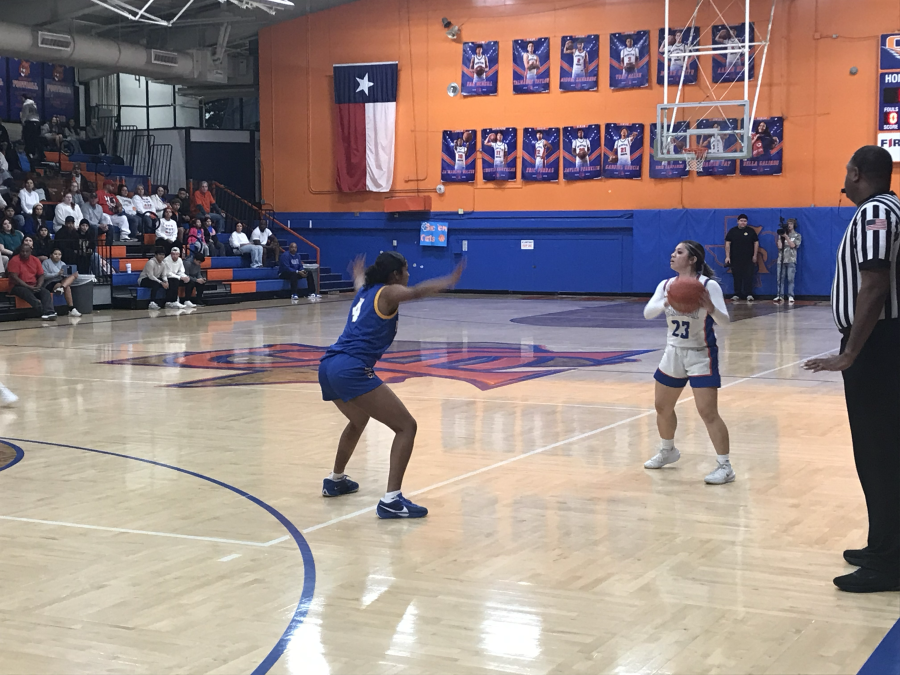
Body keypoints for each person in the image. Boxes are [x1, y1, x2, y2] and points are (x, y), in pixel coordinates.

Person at [804, 145, 900, 593]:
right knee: (880, 451)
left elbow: (875, 284)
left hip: (879, 346)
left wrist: (851, 352)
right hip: (881, 344)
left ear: (856, 172)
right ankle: (881, 544)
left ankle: (888, 563)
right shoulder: (890, 207)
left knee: (879, 453)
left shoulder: (874, 214)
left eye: (846, 171)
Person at [318, 252, 465, 517]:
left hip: (329, 365)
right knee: (406, 426)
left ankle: (335, 480)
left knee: (358, 420)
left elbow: (360, 281)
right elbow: (417, 292)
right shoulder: (387, 293)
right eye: (405, 270)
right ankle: (391, 501)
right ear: (395, 275)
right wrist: (449, 279)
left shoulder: (366, 290)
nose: (408, 275)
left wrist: (358, 272)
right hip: (350, 368)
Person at [642, 241, 733, 483]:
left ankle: (725, 466)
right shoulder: (666, 285)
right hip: (673, 352)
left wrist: (712, 308)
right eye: (673, 251)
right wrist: (666, 302)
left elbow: (725, 322)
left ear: (692, 259)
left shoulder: (707, 286)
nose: (673, 255)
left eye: (679, 252)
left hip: (700, 353)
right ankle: (668, 450)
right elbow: (647, 313)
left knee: (707, 412)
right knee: (662, 406)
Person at [7, 240, 55, 320]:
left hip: (33, 285)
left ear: (30, 252)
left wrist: (39, 285)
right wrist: (28, 287)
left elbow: (41, 275)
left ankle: (50, 312)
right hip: (17, 286)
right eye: (22, 251)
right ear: (20, 251)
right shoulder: (14, 260)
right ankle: (42, 311)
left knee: (45, 292)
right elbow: (14, 277)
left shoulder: (35, 260)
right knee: (25, 292)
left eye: (27, 251)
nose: (24, 253)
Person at [724, 213, 759, 301]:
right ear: (738, 221)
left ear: (747, 222)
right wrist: (727, 256)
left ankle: (749, 294)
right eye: (741, 221)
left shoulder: (751, 231)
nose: (743, 222)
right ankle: (737, 294)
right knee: (737, 276)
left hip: (748, 258)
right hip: (735, 258)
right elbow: (727, 244)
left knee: (748, 276)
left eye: (745, 221)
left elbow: (756, 243)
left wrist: (755, 255)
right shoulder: (732, 231)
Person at [42, 247, 80, 317]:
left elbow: (65, 276)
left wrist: (68, 274)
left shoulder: (63, 263)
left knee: (73, 276)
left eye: (59, 254)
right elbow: (44, 275)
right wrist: (57, 274)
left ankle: (62, 287)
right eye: (55, 254)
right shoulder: (46, 262)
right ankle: (71, 309)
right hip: (50, 282)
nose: (57, 256)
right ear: (51, 255)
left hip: (61, 281)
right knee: (66, 287)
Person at [774, 218, 802, 304]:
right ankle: (780, 295)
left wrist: (786, 237)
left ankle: (790, 295)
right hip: (781, 260)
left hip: (791, 259)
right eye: (788, 224)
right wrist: (781, 237)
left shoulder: (797, 235)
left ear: (794, 225)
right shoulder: (781, 236)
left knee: (790, 278)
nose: (789, 226)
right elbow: (779, 247)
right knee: (780, 278)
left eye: (791, 224)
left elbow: (793, 245)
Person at [20, 94, 41, 159]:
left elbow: (25, 114)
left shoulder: (26, 104)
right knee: (35, 139)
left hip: (30, 123)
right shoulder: (34, 104)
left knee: (28, 138)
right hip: (37, 122)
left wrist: (23, 122)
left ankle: (29, 153)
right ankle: (36, 153)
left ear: (24, 98)